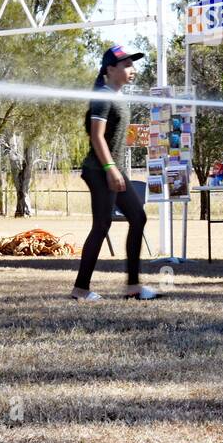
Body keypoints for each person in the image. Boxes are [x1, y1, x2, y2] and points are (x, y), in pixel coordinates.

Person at [70, 45, 158, 302]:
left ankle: (133, 287)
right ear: (110, 69)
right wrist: (110, 169)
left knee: (137, 217)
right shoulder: (102, 96)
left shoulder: (117, 96)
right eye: (127, 65)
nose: (133, 69)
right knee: (101, 226)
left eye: (132, 64)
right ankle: (80, 289)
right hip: (100, 170)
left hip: (112, 169)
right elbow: (96, 136)